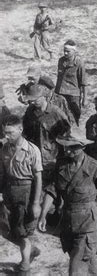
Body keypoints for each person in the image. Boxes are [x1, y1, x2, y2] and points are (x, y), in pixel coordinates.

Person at [38, 133, 97, 275]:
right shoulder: (61, 165)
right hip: (67, 222)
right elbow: (52, 190)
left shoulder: (95, 167)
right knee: (84, 259)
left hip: (87, 223)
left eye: (73, 148)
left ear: (83, 146)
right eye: (65, 147)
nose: (68, 151)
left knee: (76, 268)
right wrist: (43, 215)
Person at [0, 115, 43, 273]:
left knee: (23, 232)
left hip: (26, 193)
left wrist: (36, 203)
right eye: (5, 132)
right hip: (9, 192)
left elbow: (38, 177)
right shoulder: (4, 149)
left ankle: (25, 266)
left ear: (20, 129)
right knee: (5, 229)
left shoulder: (32, 150)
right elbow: (2, 174)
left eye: (10, 132)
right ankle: (30, 250)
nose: (6, 136)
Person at [22, 84, 71, 187]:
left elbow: (67, 133)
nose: (32, 102)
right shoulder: (30, 111)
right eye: (30, 100)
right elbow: (26, 131)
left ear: (44, 97)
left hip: (53, 157)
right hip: (35, 154)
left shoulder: (56, 112)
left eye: (35, 99)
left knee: (54, 185)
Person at [55, 40, 88, 125]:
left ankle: (74, 131)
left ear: (74, 51)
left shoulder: (79, 62)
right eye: (64, 51)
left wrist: (85, 99)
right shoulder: (61, 61)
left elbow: (83, 82)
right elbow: (59, 77)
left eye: (68, 51)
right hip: (61, 92)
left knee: (75, 114)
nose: (65, 53)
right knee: (60, 114)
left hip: (73, 94)